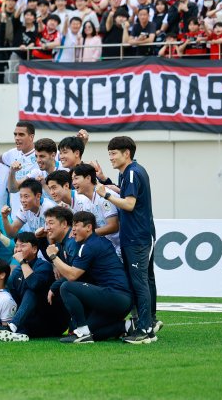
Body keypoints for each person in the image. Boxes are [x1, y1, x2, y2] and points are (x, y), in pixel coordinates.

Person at [96, 136, 159, 344]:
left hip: (137, 237)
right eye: (110, 154)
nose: (111, 158)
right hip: (140, 234)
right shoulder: (131, 171)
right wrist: (108, 183)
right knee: (147, 280)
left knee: (139, 281)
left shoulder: (131, 173)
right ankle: (150, 322)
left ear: (127, 154)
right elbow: (126, 194)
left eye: (114, 154)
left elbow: (130, 204)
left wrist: (105, 195)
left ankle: (144, 328)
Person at [50, 212, 133, 343]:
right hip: (121, 300)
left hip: (114, 296)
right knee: (91, 332)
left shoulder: (88, 246)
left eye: (76, 225)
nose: (73, 230)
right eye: (72, 225)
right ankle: (126, 326)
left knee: (67, 287)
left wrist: (53, 257)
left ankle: (82, 333)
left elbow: (72, 276)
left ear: (88, 227)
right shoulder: (100, 241)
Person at [0, 232, 60, 342]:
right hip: (29, 318)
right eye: (16, 246)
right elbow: (11, 293)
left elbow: (34, 284)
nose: (18, 249)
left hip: (49, 320)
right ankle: (16, 330)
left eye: (23, 245)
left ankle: (13, 327)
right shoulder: (17, 270)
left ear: (34, 249)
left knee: (32, 291)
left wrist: (22, 261)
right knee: (8, 291)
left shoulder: (44, 266)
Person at [72, 164, 120, 256]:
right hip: (109, 248)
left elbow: (114, 226)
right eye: (72, 179)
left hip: (124, 246)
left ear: (88, 178)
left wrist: (87, 233)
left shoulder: (104, 194)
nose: (73, 183)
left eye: (76, 178)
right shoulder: (85, 200)